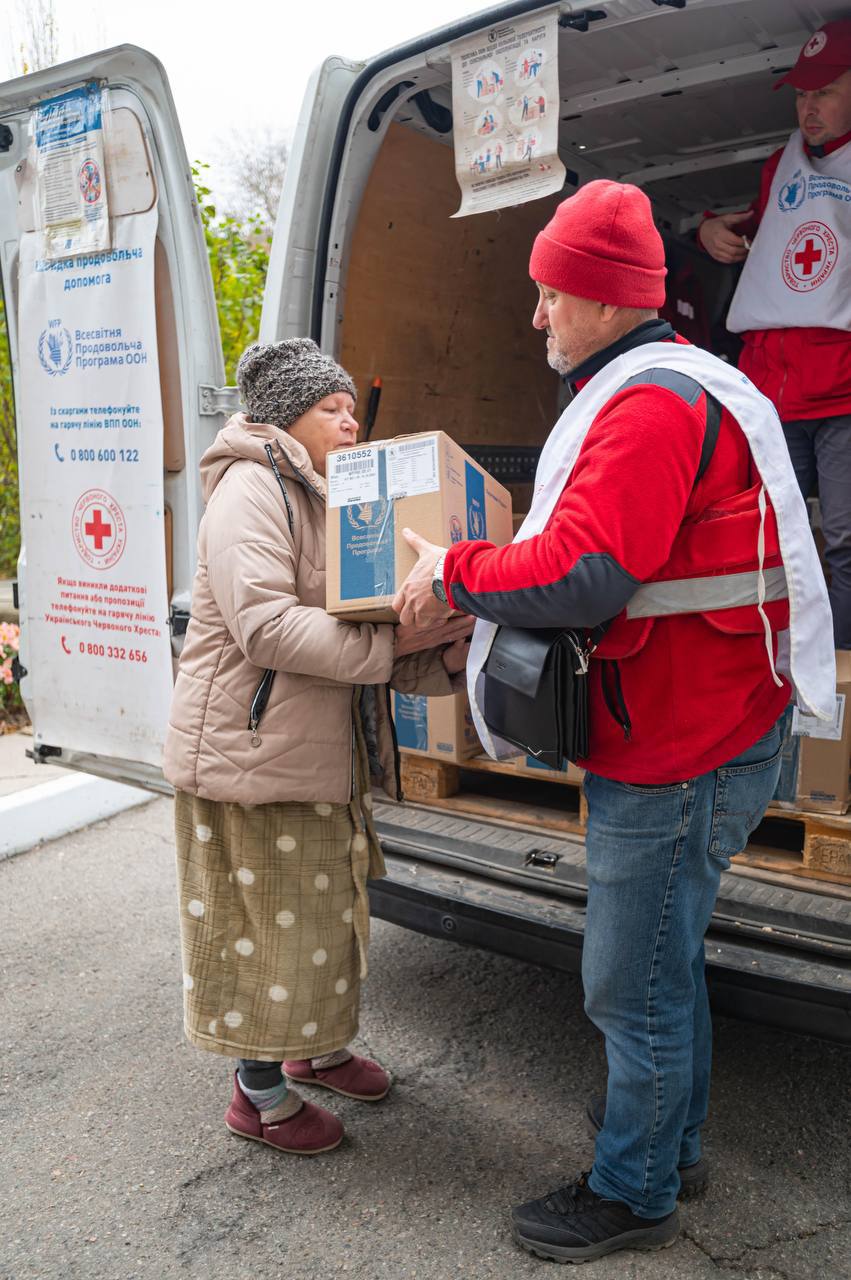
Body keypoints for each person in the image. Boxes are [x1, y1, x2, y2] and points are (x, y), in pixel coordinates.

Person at [392, 180, 834, 1262]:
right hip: (714, 716)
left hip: (678, 747)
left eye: (551, 294)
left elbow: (582, 572)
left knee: (627, 981)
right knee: (663, 961)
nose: (536, 315)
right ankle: (672, 1142)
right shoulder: (685, 381)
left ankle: (633, 1190)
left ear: (602, 298)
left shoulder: (644, 409)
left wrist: (453, 570)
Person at [163, 338, 470, 1156]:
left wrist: (438, 653)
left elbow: (358, 623)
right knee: (270, 931)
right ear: (284, 416)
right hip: (250, 760)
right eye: (331, 408)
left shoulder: (326, 494)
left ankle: (316, 1048)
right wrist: (393, 641)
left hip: (310, 751)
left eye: (351, 407)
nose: (350, 420)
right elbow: (267, 628)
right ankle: (258, 1097)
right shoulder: (251, 488)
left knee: (327, 916)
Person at [699, 18, 851, 647]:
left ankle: (840, 675)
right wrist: (709, 229)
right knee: (765, 536)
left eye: (825, 92)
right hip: (770, 392)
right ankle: (768, 663)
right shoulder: (779, 165)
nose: (807, 108)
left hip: (842, 393)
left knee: (845, 540)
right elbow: (769, 233)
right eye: (801, 94)